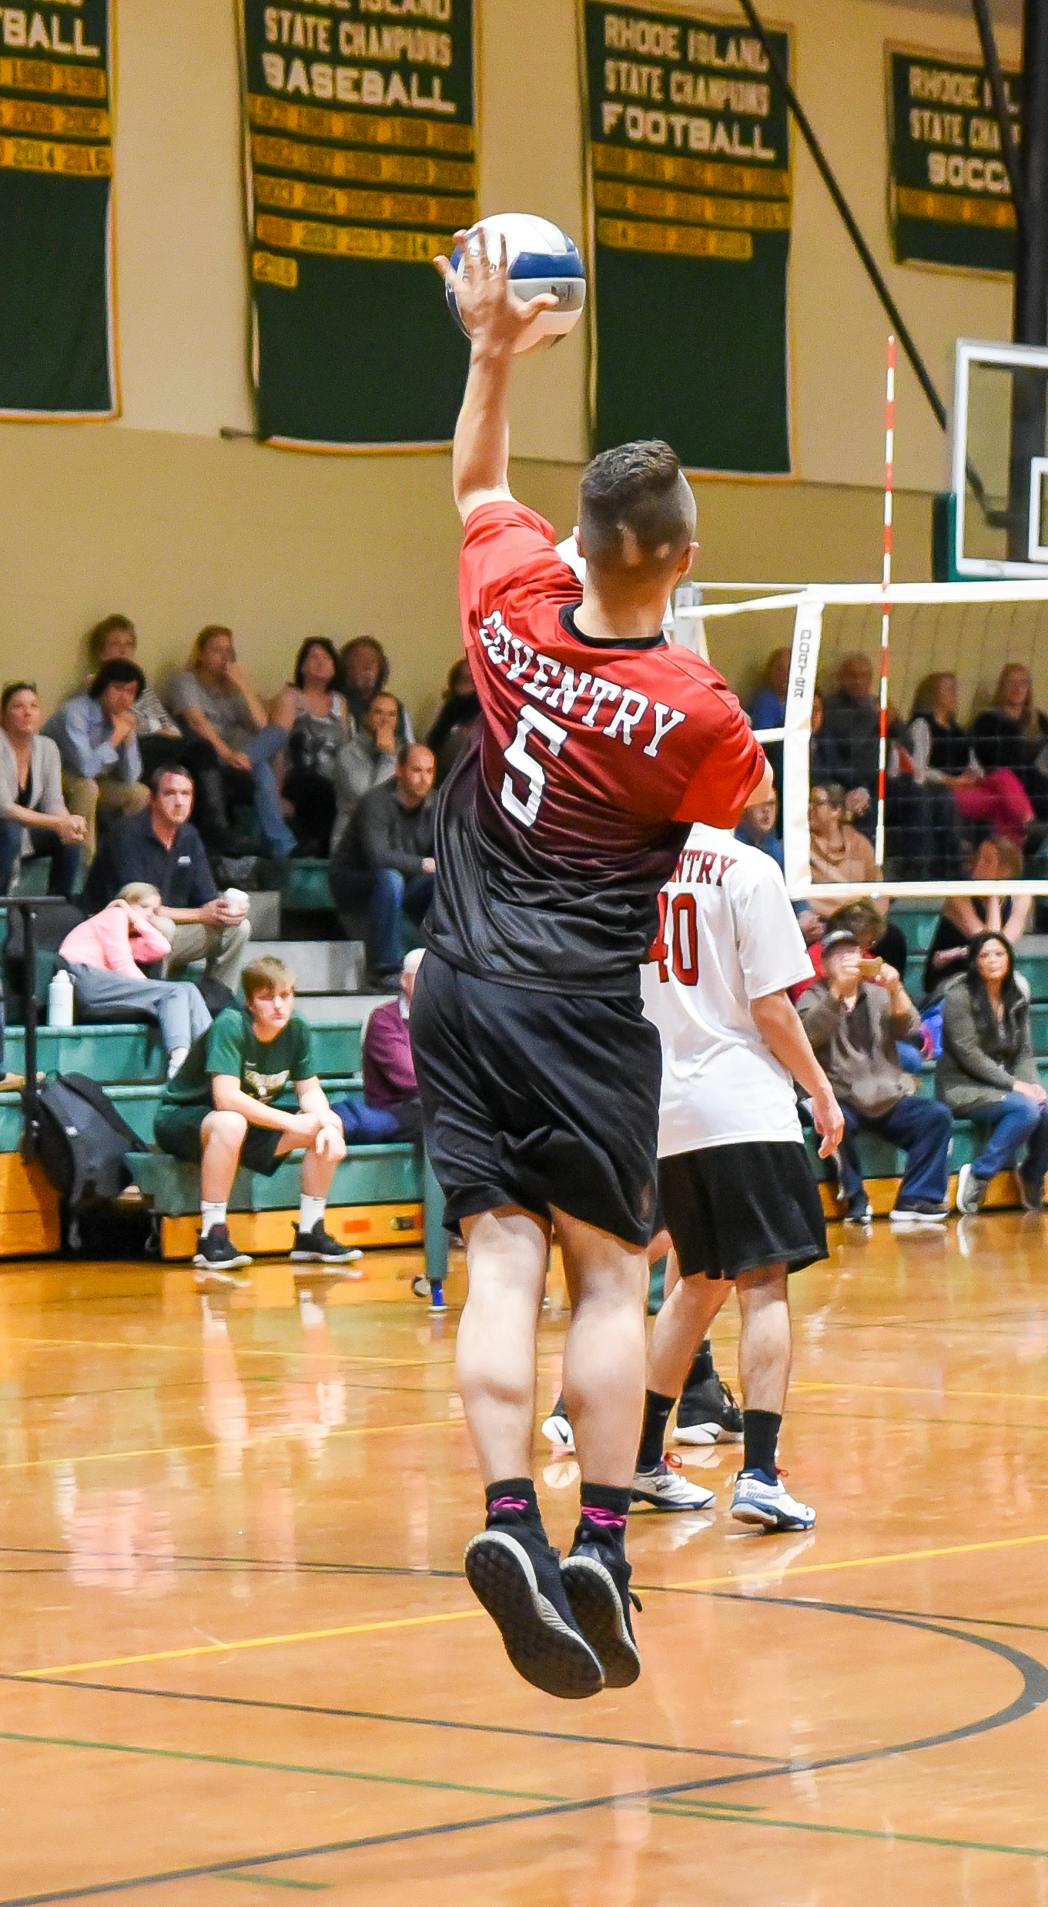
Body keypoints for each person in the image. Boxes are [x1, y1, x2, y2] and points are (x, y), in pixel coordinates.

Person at [412, 229, 769, 1700]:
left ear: (575, 536)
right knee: (613, 1274)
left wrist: (492, 349)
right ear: (682, 559)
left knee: (498, 1255)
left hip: (457, 983)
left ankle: (508, 1512)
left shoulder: (507, 598)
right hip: (578, 1004)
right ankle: (602, 1545)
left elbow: (477, 484)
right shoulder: (697, 708)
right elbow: (729, 808)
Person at [637, 825, 843, 1528]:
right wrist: (820, 1089)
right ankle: (758, 1473)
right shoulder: (747, 868)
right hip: (743, 1103)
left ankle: (640, 1458)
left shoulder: (639, 861)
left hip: (669, 1108)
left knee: (698, 1282)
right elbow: (771, 1006)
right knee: (763, 1282)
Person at [154, 955, 361, 1282]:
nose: (278, 1005)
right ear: (249, 1002)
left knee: (329, 1123)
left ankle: (310, 1231)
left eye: (285, 995)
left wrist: (324, 1124)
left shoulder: (297, 1028)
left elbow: (309, 1090)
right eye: (267, 997)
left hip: (244, 1126)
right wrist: (292, 1123)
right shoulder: (230, 1025)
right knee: (231, 1122)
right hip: (183, 1119)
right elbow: (226, 1098)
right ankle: (212, 1236)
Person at [799, 928, 953, 1224]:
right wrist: (836, 994)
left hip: (886, 1095)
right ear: (824, 965)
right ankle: (855, 1198)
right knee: (831, 1120)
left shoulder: (879, 994)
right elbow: (807, 1037)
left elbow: (910, 1030)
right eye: (838, 955)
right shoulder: (811, 997)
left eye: (852, 952)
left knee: (936, 1117)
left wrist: (896, 989)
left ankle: (916, 1198)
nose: (848, 959)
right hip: (841, 1095)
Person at [83, 765, 251, 991]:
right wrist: (201, 914)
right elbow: (137, 910)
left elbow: (205, 898)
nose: (179, 802)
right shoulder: (126, 836)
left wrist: (224, 911)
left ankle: (220, 999)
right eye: (170, 793)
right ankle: (153, 998)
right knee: (160, 927)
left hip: (171, 930)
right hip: (120, 932)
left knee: (239, 928)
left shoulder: (190, 836)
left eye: (186, 794)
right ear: (152, 799)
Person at [938, 933, 1048, 1215]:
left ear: (1009, 958)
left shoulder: (1015, 994)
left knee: (1044, 1106)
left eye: (999, 954)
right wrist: (1016, 1085)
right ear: (975, 962)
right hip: (962, 1086)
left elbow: (1023, 1052)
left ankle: (1032, 1174)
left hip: (1004, 1085)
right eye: (984, 955)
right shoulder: (958, 996)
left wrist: (1033, 1085)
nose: (992, 961)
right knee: (1026, 1110)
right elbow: (969, 1055)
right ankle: (979, 1174)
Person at [85, 614, 225, 832]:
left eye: (128, 645)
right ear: (102, 653)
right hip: (126, 753)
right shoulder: (94, 685)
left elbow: (172, 732)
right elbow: (119, 726)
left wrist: (155, 729)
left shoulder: (141, 689)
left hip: (157, 747)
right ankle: (210, 830)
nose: (123, 651)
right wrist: (153, 730)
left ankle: (211, 830)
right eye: (115, 644)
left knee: (199, 754)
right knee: (189, 751)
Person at [168, 626, 296, 860]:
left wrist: (244, 686)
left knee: (277, 735)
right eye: (216, 650)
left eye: (228, 651)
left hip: (237, 758)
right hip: (204, 757)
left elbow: (263, 727)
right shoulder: (185, 680)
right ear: (200, 654)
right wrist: (227, 754)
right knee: (260, 768)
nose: (224, 657)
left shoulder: (230, 688)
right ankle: (281, 844)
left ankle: (281, 846)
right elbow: (197, 723)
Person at [58, 883, 212, 1077]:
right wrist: (125, 911)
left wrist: (138, 920)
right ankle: (179, 1062)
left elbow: (162, 949)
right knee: (175, 992)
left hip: (103, 982)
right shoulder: (114, 915)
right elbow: (121, 963)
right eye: (144, 906)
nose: (150, 914)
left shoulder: (129, 931)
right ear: (127, 903)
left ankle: (210, 1055)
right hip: (84, 977)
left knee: (188, 988)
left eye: (154, 910)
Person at [329, 743, 436, 989]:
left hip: (406, 884)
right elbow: (378, 857)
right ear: (399, 770)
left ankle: (439, 964)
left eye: (429, 771)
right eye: (417, 770)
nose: (424, 778)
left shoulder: (436, 804)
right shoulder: (375, 801)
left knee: (445, 880)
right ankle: (385, 969)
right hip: (357, 884)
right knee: (390, 878)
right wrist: (423, 864)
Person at [909, 672, 1032, 846]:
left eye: (954, 689)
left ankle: (1022, 832)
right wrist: (952, 780)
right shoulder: (922, 725)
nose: (954, 693)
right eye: (947, 689)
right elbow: (918, 770)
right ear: (932, 694)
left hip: (968, 785)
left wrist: (974, 776)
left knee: (1003, 776)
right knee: (1000, 802)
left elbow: (973, 764)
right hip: (943, 790)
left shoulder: (957, 730)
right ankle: (1023, 834)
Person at [44, 659, 150, 860]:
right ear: (103, 687)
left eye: (130, 692)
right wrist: (116, 737)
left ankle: (121, 858)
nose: (124, 697)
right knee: (88, 787)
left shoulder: (123, 718)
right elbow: (85, 769)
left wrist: (128, 740)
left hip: (96, 778)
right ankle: (85, 863)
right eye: (118, 688)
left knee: (140, 794)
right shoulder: (75, 712)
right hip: (56, 775)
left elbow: (131, 777)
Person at [0, 682, 86, 894]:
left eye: (34, 706)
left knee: (69, 839)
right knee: (10, 831)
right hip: (6, 830)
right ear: (3, 716)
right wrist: (58, 823)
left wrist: (69, 824)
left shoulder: (47, 747)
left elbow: (53, 801)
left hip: (21, 832)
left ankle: (57, 905)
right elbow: (4, 808)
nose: (27, 712)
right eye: (18, 706)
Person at [332, 948, 424, 1146]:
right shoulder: (384, 1019)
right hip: (394, 1111)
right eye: (422, 976)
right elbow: (409, 1076)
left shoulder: (447, 1016)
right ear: (404, 980)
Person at [922, 836, 1030, 1000]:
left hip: (992, 974)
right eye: (978, 857)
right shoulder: (959, 896)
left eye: (987, 861)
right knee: (976, 991)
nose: (978, 865)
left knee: (1021, 986)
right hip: (952, 975)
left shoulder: (1021, 897)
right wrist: (994, 895)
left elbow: (1001, 946)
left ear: (1006, 870)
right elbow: (988, 943)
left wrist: (994, 893)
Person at [269, 638, 349, 856]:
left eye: (326, 657)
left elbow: (344, 749)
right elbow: (278, 748)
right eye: (314, 657)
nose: (321, 662)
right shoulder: (290, 698)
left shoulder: (339, 702)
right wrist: (275, 794)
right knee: (319, 788)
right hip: (299, 779)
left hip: (332, 783)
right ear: (302, 666)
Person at [972, 662, 1048, 824]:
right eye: (1011, 682)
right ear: (1002, 687)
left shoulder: (1039, 719)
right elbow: (993, 759)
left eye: (1023, 682)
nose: (1017, 688)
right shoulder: (988, 720)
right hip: (1010, 778)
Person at [331, 690, 400, 849]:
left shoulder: (405, 754)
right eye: (378, 712)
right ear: (366, 717)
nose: (385, 720)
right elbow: (370, 799)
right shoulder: (347, 754)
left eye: (392, 714)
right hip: (351, 844)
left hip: (390, 842)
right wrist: (388, 757)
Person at [339, 636, 414, 744]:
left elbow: (410, 747)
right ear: (346, 667)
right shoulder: (334, 703)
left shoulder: (395, 706)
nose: (368, 667)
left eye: (373, 661)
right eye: (360, 660)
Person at [426, 657, 480, 781]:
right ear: (455, 685)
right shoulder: (448, 715)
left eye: (477, 680)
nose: (474, 688)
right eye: (466, 680)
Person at [735, 788, 783, 870]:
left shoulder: (782, 850)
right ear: (745, 807)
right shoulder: (732, 843)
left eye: (771, 803)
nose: (766, 809)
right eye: (760, 802)